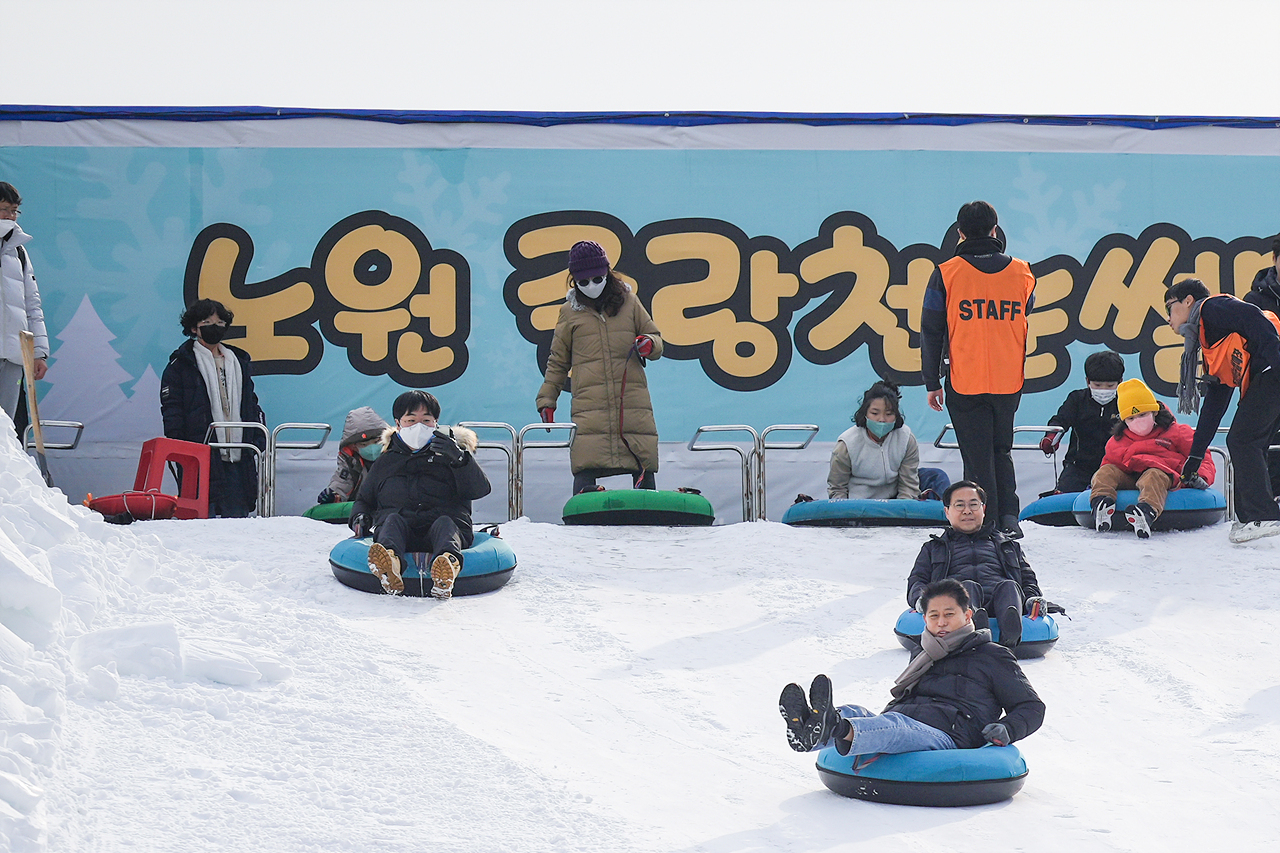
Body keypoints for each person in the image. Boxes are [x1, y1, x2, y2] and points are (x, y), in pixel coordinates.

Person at [779, 579, 1044, 757]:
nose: (941, 622)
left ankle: (833, 728)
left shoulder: (993, 656)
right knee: (854, 712)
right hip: (905, 721)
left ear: (967, 615)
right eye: (934, 615)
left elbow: (1032, 707)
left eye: (949, 614)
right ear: (925, 619)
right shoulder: (924, 652)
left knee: (895, 725)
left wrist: (1009, 728)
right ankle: (809, 725)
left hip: (949, 736)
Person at [922, 201, 1035, 538]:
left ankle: (986, 525)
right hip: (1008, 378)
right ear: (995, 230)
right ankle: (1009, 518)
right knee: (1002, 450)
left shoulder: (946, 272)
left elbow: (931, 328)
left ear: (960, 233)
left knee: (976, 456)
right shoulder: (1023, 272)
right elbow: (1026, 308)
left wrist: (931, 380)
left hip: (965, 378)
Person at [536, 240, 664, 495]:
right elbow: (558, 361)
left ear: (607, 272)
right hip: (589, 408)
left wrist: (650, 344)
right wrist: (547, 398)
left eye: (597, 278)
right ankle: (581, 526)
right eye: (583, 282)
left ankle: (651, 524)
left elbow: (656, 337)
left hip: (632, 405)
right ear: (574, 281)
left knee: (642, 466)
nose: (591, 285)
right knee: (586, 468)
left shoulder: (630, 303)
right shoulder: (569, 313)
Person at [1166, 278, 1280, 543]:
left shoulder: (1212, 307)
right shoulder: (1209, 340)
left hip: (1272, 371)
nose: (1168, 318)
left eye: (1169, 308)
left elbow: (1253, 315)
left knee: (1241, 440)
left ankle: (1263, 515)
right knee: (1252, 442)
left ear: (1188, 301)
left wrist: (1277, 362)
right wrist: (1194, 457)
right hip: (1268, 376)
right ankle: (1248, 517)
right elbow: (1215, 403)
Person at [350, 390, 491, 600]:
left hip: (442, 525)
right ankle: (390, 565)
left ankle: (447, 568)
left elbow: (480, 489)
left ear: (436, 423)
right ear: (398, 424)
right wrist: (360, 517)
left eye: (426, 420)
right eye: (411, 420)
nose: (419, 427)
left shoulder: (451, 455)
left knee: (446, 523)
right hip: (402, 527)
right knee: (392, 521)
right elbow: (365, 499)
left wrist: (459, 459)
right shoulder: (386, 462)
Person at [905, 481, 1044, 650]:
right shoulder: (934, 548)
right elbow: (917, 581)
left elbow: (1027, 579)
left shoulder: (1007, 545)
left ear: (983, 510)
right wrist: (923, 601)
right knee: (966, 588)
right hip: (958, 605)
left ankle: (1010, 632)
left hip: (1001, 601)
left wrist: (1032, 599)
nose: (967, 511)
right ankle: (975, 628)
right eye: (960, 505)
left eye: (973, 504)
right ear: (947, 512)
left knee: (1009, 586)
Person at [160, 299, 266, 518]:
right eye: (207, 322)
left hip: (239, 452)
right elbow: (172, 409)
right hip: (200, 453)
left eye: (219, 323)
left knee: (237, 517)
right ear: (193, 328)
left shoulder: (239, 361)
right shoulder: (181, 364)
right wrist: (179, 445)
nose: (214, 327)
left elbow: (250, 402)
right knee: (200, 517)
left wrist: (257, 438)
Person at [1089, 378, 1215, 538]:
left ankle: (1146, 511)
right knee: (1105, 472)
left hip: (1164, 475)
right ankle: (1101, 503)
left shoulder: (1177, 433)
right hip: (1130, 477)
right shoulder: (1118, 441)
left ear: (1154, 412)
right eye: (1131, 418)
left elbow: (1201, 456)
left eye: (1142, 414)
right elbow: (1110, 464)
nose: (1137, 422)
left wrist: (1199, 477)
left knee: (1154, 475)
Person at [827, 380, 950, 500]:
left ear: (896, 415)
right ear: (865, 414)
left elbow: (908, 484)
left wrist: (902, 511)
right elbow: (838, 489)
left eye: (889, 414)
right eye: (875, 413)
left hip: (895, 497)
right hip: (861, 503)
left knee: (936, 476)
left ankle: (945, 517)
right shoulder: (847, 443)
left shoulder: (906, 438)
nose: (882, 419)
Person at [1039, 350, 1124, 494]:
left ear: (1120, 382)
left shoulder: (1126, 401)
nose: (1103, 390)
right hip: (1078, 467)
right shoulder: (1077, 399)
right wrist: (1051, 437)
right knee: (1062, 498)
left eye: (1110, 386)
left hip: (1116, 467)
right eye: (1097, 385)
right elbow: (1060, 420)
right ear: (1087, 381)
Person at [0, 182, 49, 426]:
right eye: (4, 209)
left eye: (14, 211)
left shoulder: (18, 252)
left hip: (12, 356)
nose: (10, 216)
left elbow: (32, 305)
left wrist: (38, 353)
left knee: (7, 428)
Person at [1243, 235, 1280, 497]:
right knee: (1259, 445)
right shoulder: (1254, 300)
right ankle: (1269, 507)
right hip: (1266, 385)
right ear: (1274, 260)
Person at [315, 406, 391, 506]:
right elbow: (342, 483)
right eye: (364, 444)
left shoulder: (395, 456)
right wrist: (333, 496)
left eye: (377, 441)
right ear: (353, 446)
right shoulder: (350, 462)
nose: (372, 448)